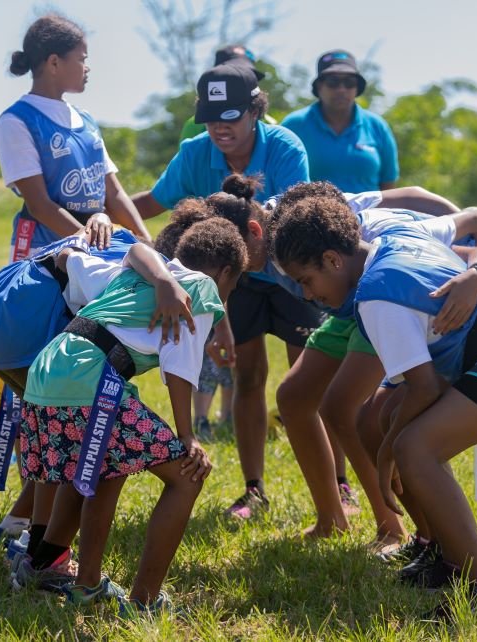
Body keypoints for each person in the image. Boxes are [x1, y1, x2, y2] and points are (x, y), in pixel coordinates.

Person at [270, 196, 477, 621]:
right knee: (371, 421)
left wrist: (386, 458)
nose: (309, 294)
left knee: (415, 450)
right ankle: (441, 555)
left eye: (307, 281)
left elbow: (424, 387)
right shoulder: (394, 234)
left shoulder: (376, 297)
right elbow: (472, 224)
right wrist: (385, 444)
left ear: (332, 259)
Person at [14, 217, 248, 618]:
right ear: (226, 273)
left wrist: (73, 251)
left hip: (50, 368)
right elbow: (178, 365)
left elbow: (104, 258)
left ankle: (74, 578)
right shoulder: (202, 288)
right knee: (187, 476)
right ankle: (144, 602)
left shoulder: (147, 271)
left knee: (108, 465)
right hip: (90, 377)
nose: (225, 301)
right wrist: (186, 436)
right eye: (233, 288)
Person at [131, 66, 325, 522]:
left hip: (290, 271)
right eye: (211, 117)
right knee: (247, 377)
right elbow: (151, 204)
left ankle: (336, 484)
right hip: (231, 280)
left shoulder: (284, 148)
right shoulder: (194, 154)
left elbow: (295, 221)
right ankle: (253, 489)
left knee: (310, 380)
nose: (220, 127)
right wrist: (92, 218)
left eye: (231, 116)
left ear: (256, 111)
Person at [0, 229, 195, 567]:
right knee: (78, 444)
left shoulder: (110, 237)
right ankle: (43, 551)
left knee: (59, 446)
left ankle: (29, 538)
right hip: (37, 328)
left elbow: (70, 257)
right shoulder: (146, 272)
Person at [0, 13, 150, 261]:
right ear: (54, 63)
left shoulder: (85, 119)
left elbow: (114, 193)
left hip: (92, 248)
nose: (87, 68)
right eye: (82, 59)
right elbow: (40, 205)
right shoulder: (16, 121)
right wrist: (95, 245)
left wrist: (145, 241)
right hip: (44, 252)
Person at [281, 50, 399, 193]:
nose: (341, 89)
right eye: (333, 82)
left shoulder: (377, 126)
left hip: (370, 214)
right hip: (311, 214)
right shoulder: (294, 125)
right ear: (319, 86)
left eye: (349, 83)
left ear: (357, 88)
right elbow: (279, 179)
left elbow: (388, 184)